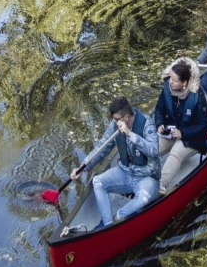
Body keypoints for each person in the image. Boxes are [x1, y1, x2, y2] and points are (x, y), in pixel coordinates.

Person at [68, 97, 160, 228]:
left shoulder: (147, 123)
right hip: (125, 172)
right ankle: (108, 224)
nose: (114, 122)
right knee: (97, 182)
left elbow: (154, 151)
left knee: (143, 198)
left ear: (126, 117)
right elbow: (101, 147)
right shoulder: (114, 126)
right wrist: (83, 167)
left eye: (117, 119)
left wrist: (130, 134)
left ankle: (119, 217)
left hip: (146, 176)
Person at [154, 57, 207, 190]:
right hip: (171, 132)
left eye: (174, 80)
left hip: (191, 138)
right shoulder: (167, 87)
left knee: (175, 154)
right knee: (153, 149)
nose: (170, 82)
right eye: (170, 78)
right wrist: (160, 123)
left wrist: (182, 133)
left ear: (184, 82)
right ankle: (137, 173)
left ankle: (160, 186)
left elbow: (204, 126)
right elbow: (159, 109)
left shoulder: (197, 96)